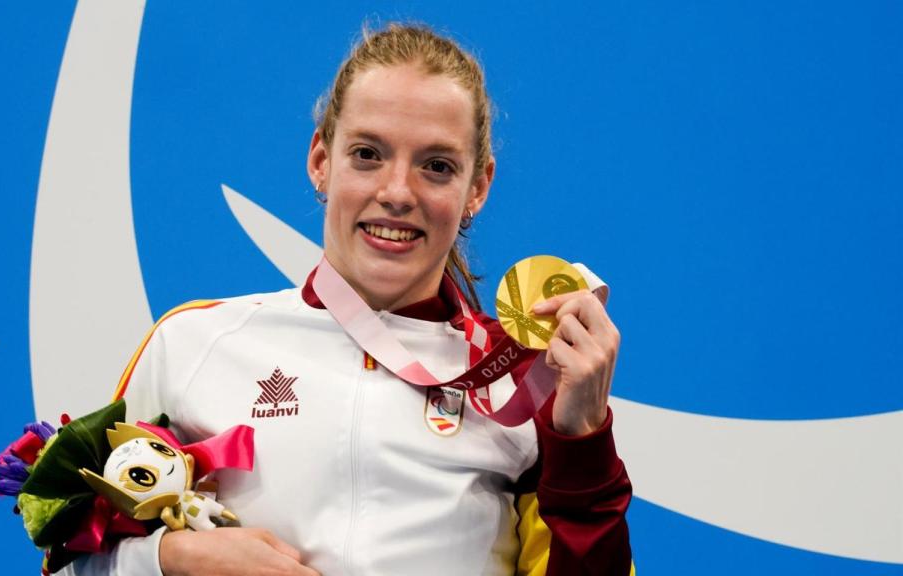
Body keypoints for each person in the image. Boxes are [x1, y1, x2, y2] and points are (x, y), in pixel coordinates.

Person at [69, 22, 631, 576]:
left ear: (477, 188)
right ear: (320, 160)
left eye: (436, 166)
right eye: (367, 154)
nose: (396, 193)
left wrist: (582, 442)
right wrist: (168, 560)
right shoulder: (193, 344)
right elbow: (70, 561)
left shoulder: (519, 382)